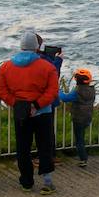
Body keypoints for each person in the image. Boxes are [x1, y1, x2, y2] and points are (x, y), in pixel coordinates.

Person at [0, 31, 59, 194]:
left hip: (20, 113)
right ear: (37, 47)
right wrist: (36, 105)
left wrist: (17, 104)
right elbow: (52, 91)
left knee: (23, 148)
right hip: (43, 112)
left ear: (21, 46)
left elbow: (1, 91)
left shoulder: (6, 67)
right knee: (44, 146)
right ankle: (47, 182)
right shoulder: (47, 67)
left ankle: (26, 182)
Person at [59, 68, 96, 167]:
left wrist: (59, 91)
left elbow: (65, 98)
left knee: (79, 139)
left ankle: (83, 159)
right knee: (81, 137)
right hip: (88, 116)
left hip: (78, 117)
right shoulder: (92, 90)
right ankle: (83, 156)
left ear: (76, 79)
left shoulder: (77, 91)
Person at [36, 36, 64, 165]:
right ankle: (48, 156)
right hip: (47, 101)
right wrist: (58, 60)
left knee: (36, 130)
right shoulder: (45, 59)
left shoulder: (38, 58)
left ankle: (43, 156)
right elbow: (54, 75)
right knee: (47, 130)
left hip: (34, 100)